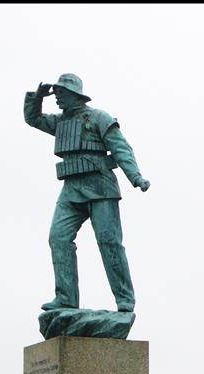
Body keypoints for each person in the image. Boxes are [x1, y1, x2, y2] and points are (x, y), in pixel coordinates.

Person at [24, 73, 150, 313]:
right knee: (58, 238)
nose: (57, 99)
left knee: (109, 242)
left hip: (101, 187)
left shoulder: (99, 118)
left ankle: (125, 298)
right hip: (71, 189)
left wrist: (136, 177)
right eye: (56, 95)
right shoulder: (59, 122)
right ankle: (66, 297)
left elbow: (122, 149)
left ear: (74, 95)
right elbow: (33, 119)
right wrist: (36, 98)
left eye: (61, 94)